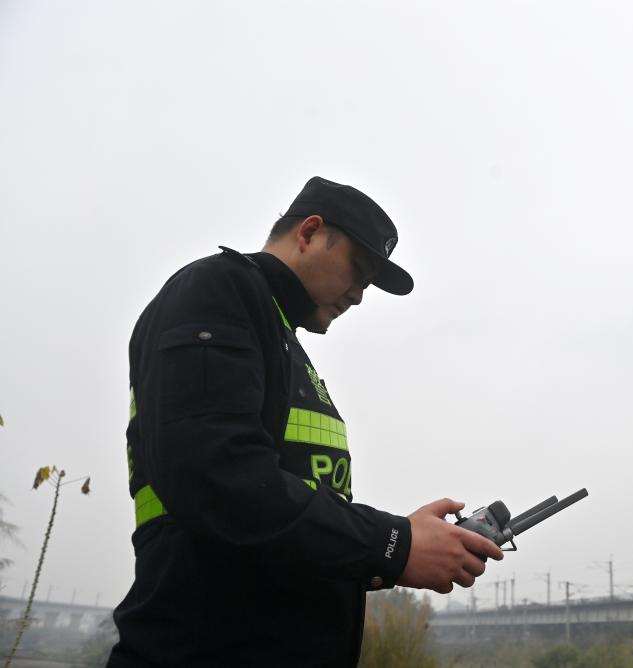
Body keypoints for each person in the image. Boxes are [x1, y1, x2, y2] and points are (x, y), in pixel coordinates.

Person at [108, 177, 503, 667]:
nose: (359, 296)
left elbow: (288, 531)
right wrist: (393, 544)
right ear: (310, 232)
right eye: (358, 271)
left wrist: (403, 547)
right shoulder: (219, 289)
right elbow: (215, 477)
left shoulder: (280, 339)